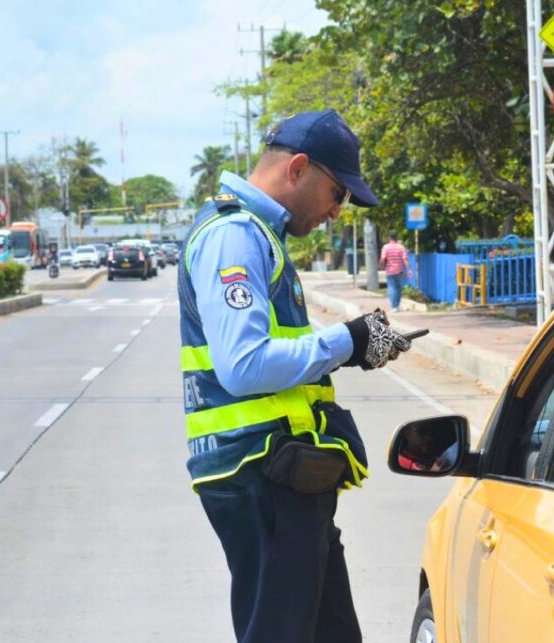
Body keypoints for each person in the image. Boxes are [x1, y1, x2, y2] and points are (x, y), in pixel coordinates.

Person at [177, 108, 411, 643]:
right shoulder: (235, 235)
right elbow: (244, 365)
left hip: (285, 473)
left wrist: (350, 349)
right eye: (337, 192)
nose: (337, 210)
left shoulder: (259, 235)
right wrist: (344, 341)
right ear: (299, 168)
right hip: (261, 473)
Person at [379, 231, 411, 312]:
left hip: (389, 271)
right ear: (396, 238)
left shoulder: (385, 247)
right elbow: (405, 259)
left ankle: (393, 306)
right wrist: (409, 269)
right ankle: (396, 305)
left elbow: (383, 258)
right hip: (399, 271)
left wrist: (381, 265)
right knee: (398, 288)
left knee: (391, 287)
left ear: (389, 238)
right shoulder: (401, 247)